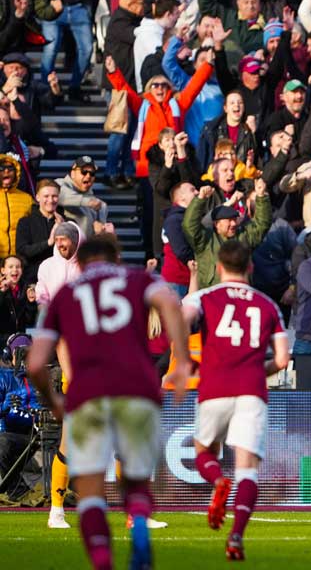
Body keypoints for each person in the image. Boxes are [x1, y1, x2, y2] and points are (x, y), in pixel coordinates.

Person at [25, 235, 190, 570]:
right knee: (136, 471)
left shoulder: (66, 295)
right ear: (116, 259)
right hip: (137, 387)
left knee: (90, 488)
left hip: (89, 392)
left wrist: (53, 399)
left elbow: (34, 363)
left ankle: (102, 561)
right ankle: (139, 520)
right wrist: (183, 361)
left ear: (80, 264)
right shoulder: (137, 279)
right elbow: (172, 303)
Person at [183, 240, 290, 561]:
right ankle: (236, 537)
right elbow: (283, 359)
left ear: (218, 267)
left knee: (204, 451)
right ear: (251, 267)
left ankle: (217, 481)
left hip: (214, 386)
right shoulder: (268, 304)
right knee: (248, 471)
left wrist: (189, 360)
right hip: (251, 391)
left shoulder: (203, 297)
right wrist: (259, 369)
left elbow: (181, 320)